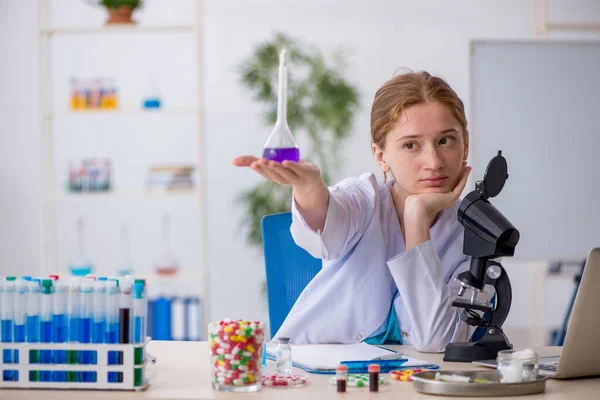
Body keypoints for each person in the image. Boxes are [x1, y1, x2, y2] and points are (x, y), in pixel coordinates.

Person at [233, 71, 492, 352]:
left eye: (445, 141)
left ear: (465, 142)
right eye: (410, 145)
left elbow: (437, 340)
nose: (433, 162)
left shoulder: (481, 238)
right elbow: (329, 220)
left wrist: (416, 217)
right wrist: (309, 188)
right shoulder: (363, 200)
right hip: (316, 375)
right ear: (381, 156)